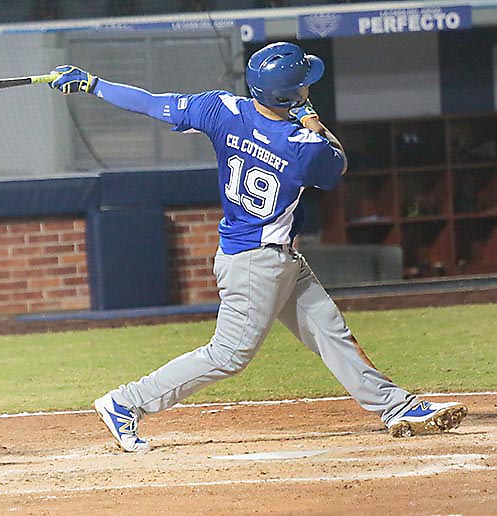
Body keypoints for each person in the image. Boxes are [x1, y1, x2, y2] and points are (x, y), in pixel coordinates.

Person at [48, 42, 468, 452]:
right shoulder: (302, 146)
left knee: (329, 331)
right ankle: (126, 402)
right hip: (256, 262)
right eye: (303, 84)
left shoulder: (221, 109)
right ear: (289, 95)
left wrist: (92, 83)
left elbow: (150, 103)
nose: (308, 88)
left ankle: (396, 407)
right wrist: (312, 119)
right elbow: (337, 162)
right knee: (228, 355)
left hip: (272, 256)